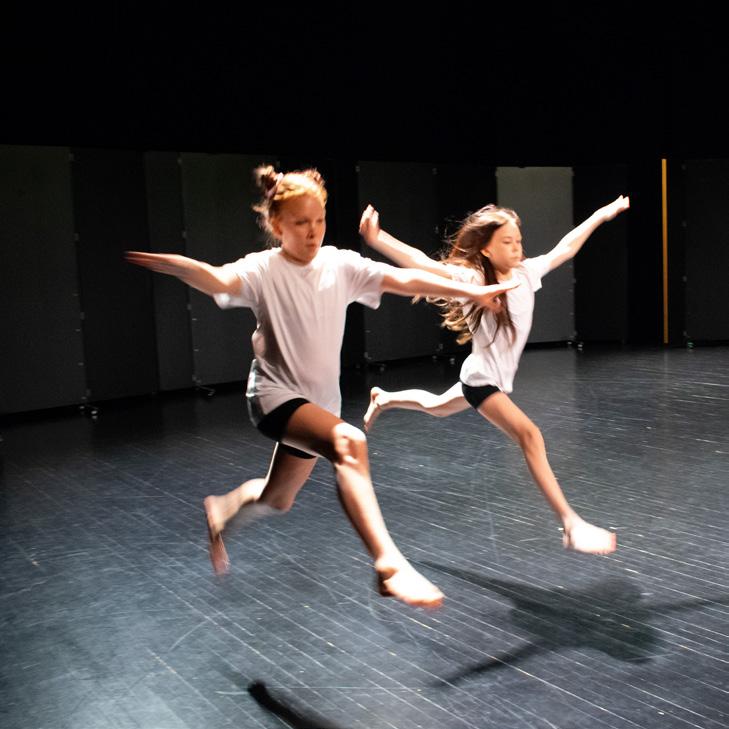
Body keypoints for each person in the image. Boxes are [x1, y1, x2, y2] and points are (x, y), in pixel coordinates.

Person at [126, 166, 517, 609]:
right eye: (300, 223)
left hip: (319, 405)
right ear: (277, 226)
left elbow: (402, 280)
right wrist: (175, 265)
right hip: (274, 397)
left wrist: (468, 293)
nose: (312, 231)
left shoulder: (340, 264)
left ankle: (223, 509)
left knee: (278, 499)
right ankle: (388, 566)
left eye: (319, 220)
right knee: (349, 443)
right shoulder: (262, 270)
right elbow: (216, 279)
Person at [360, 196, 631, 554]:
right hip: (482, 381)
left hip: (487, 378)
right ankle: (570, 523)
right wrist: (378, 238)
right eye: (507, 241)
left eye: (518, 240)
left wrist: (599, 214)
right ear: (486, 249)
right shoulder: (472, 279)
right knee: (530, 436)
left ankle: (384, 397)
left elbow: (565, 248)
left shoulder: (526, 273)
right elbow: (421, 262)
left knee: (436, 407)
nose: (516, 247)